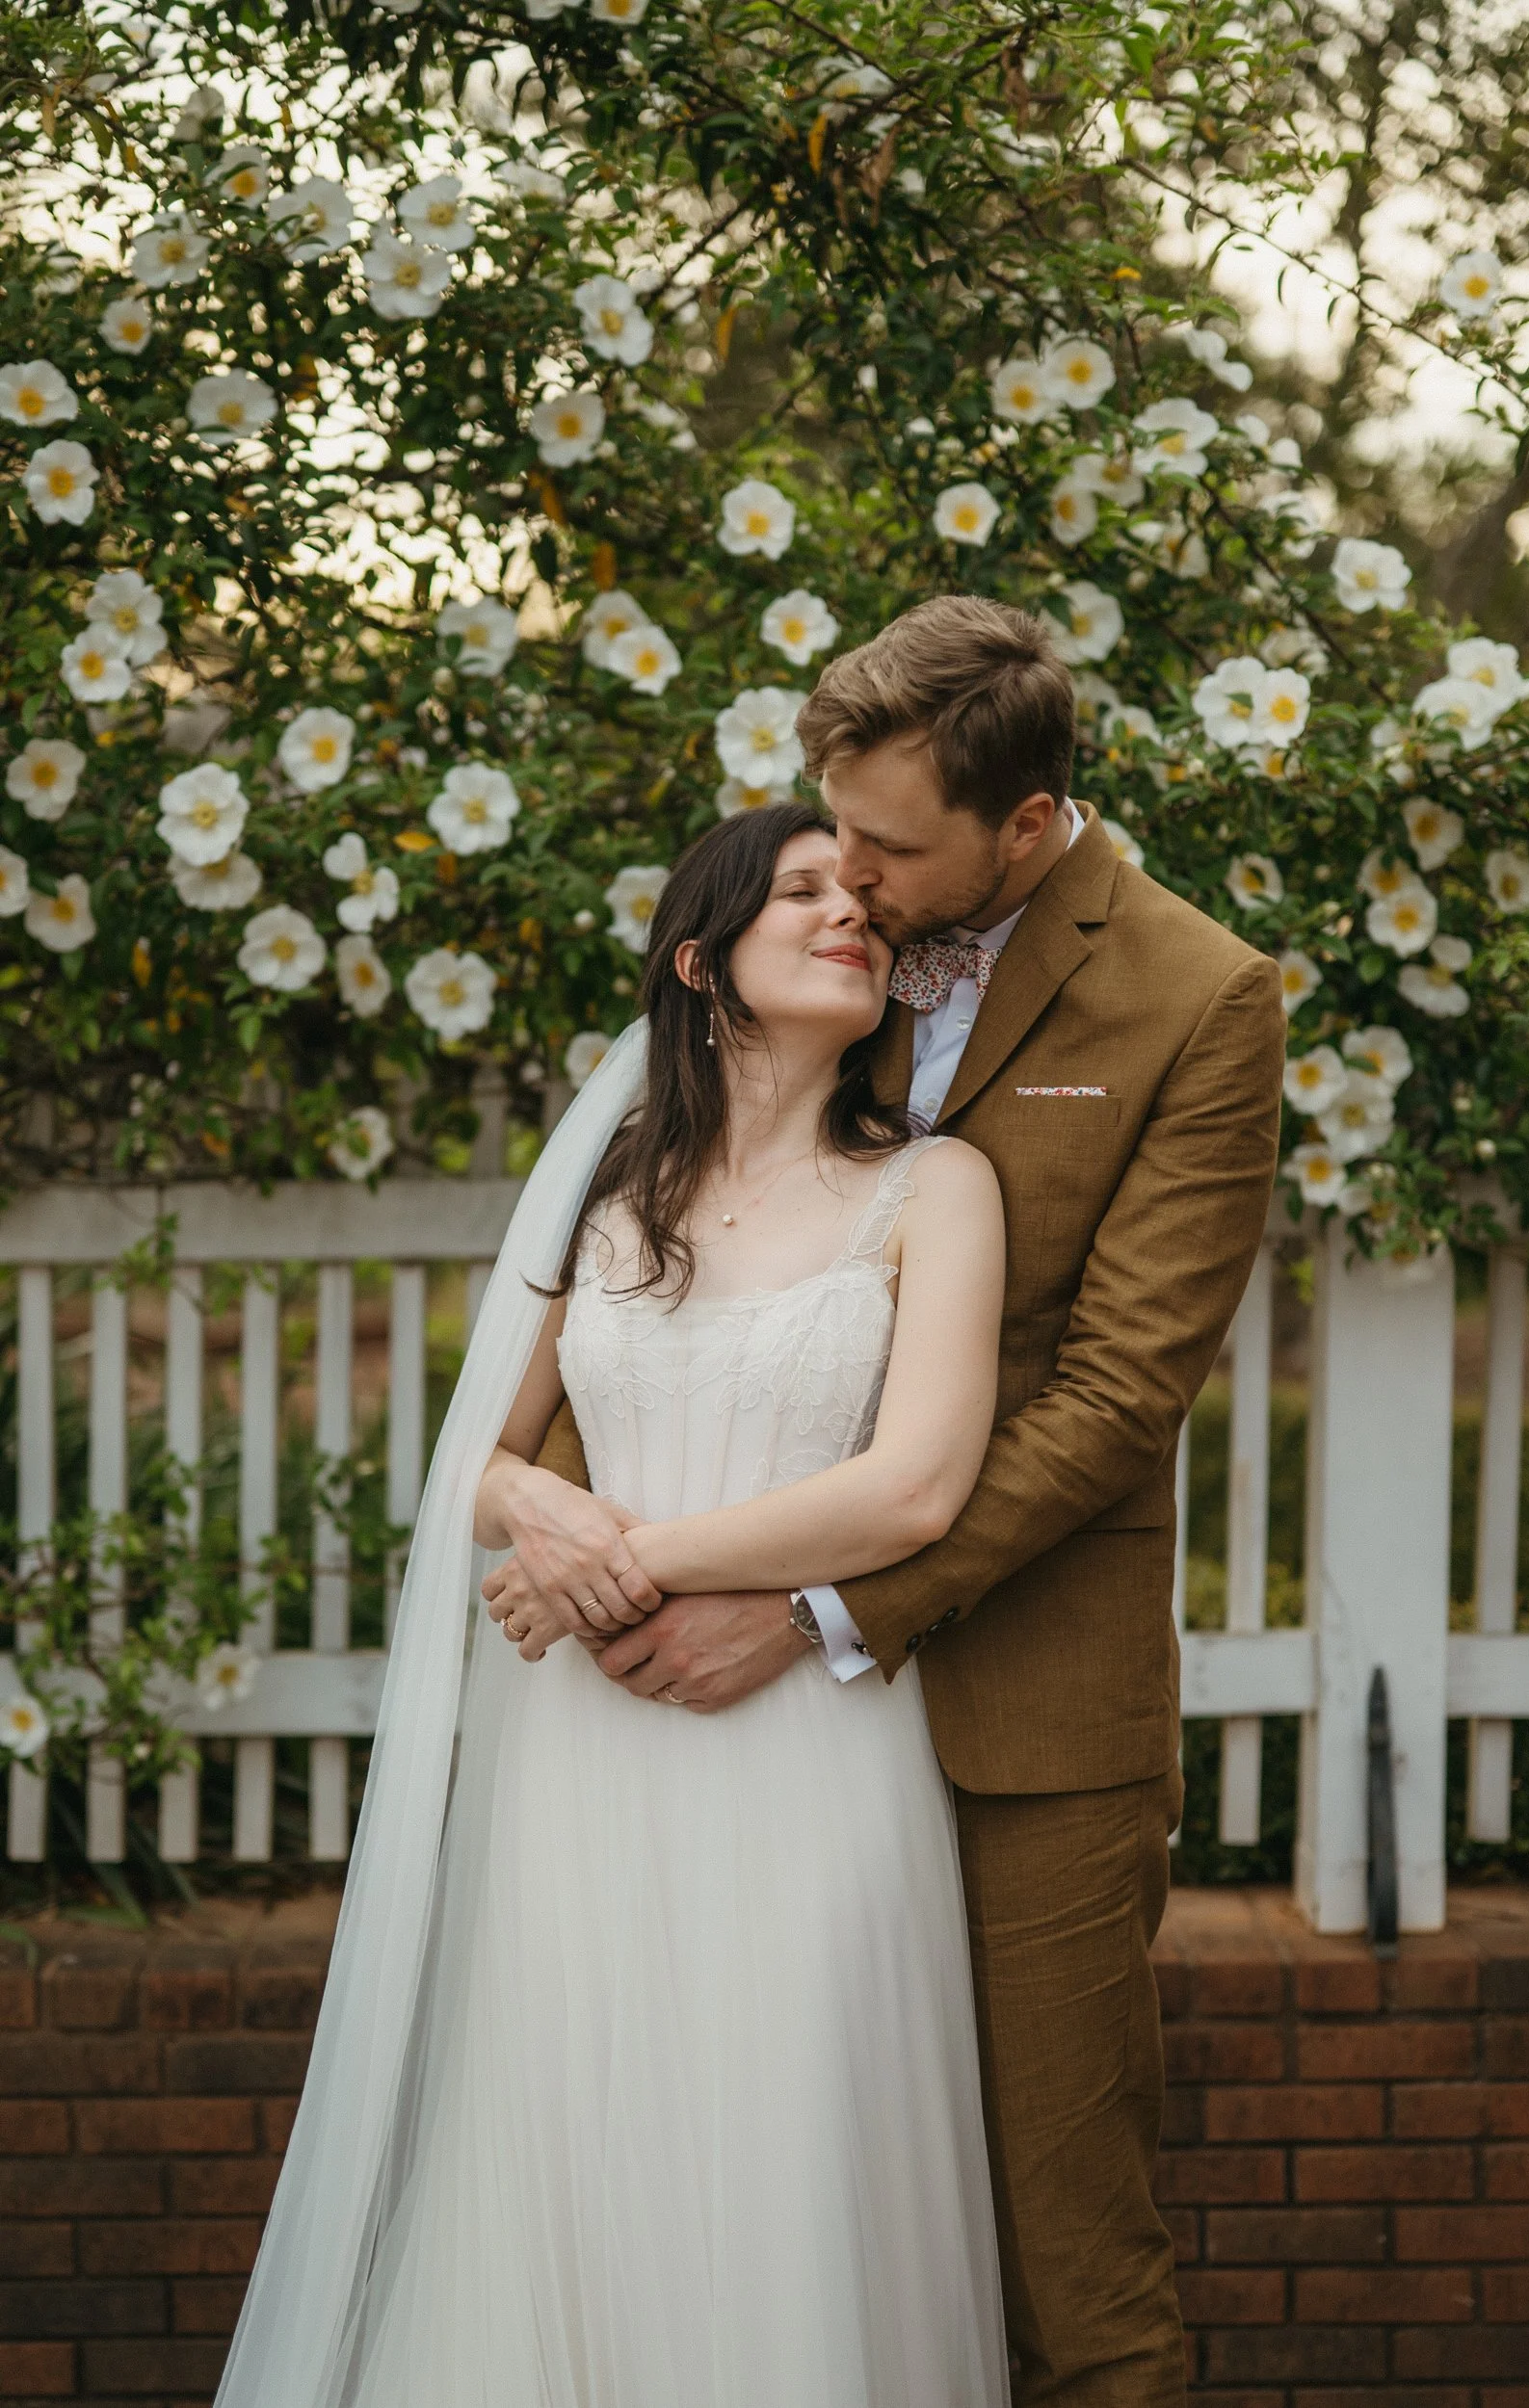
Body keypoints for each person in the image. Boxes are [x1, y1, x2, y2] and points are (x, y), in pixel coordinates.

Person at [501, 594, 1288, 2404]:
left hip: (1023, 1712)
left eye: (887, 841)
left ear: (1024, 825)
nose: (843, 872)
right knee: (760, 2197)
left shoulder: (1197, 997)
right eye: (828, 824)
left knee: (1060, 2253)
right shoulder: (825, 955)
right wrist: (553, 1515)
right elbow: (682, 1281)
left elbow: (1113, 1394)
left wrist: (823, 1606)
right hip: (711, 1716)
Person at [224, 798, 1015, 2408]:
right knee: (573, 2144)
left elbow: (915, 1488)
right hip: (572, 1761)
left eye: (861, 896)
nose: (849, 913)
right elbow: (476, 1462)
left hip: (808, 1752)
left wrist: (626, 1559)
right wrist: (544, 1509)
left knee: (783, 2147)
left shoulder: (937, 1191)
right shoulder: (602, 1205)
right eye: (802, 893)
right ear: (700, 962)